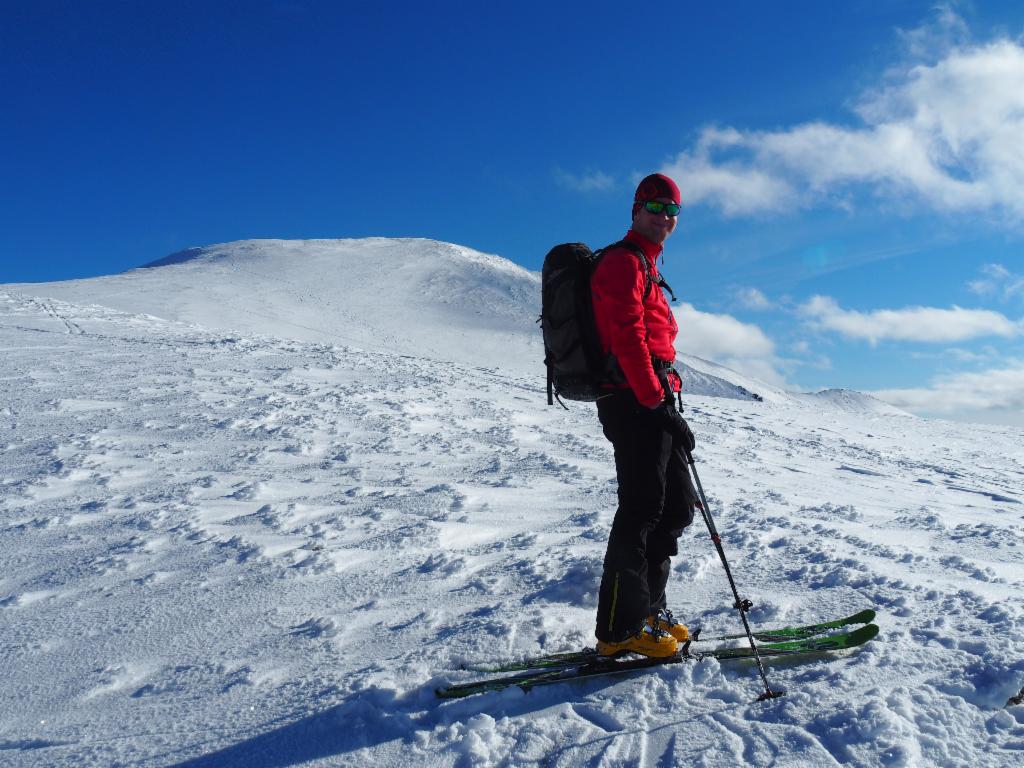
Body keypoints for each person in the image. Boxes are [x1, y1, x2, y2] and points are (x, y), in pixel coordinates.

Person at [590, 172, 699, 658]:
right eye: (656, 208)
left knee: (675, 505)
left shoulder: (647, 267)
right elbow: (630, 339)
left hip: (654, 398)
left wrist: (664, 402)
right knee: (640, 510)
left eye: (672, 211)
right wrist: (656, 403)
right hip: (632, 401)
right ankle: (618, 630)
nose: (664, 218)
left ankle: (650, 609)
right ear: (636, 210)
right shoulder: (622, 263)